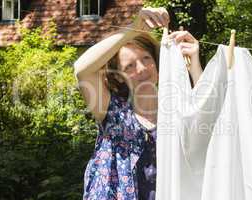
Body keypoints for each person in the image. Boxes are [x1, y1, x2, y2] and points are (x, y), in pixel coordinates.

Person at [74, 7, 203, 200]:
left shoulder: (178, 111)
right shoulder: (112, 111)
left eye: (146, 59)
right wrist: (133, 29)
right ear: (119, 78)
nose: (142, 69)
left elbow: (206, 120)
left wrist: (194, 65)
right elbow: (81, 70)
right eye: (130, 66)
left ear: (158, 66)